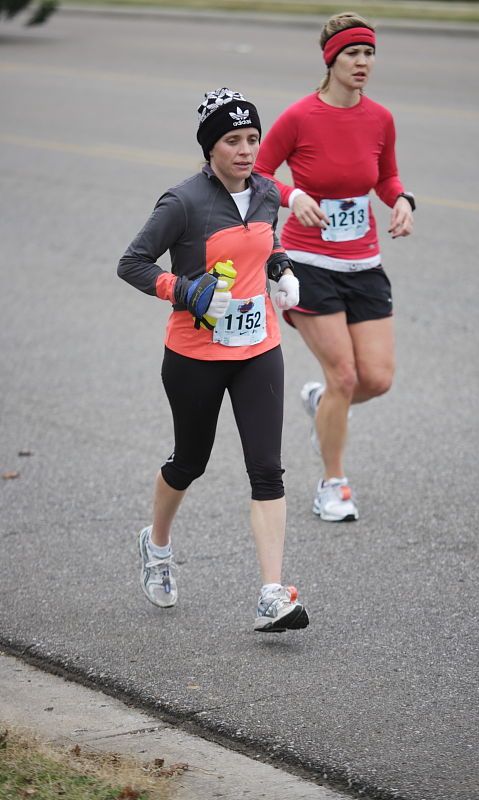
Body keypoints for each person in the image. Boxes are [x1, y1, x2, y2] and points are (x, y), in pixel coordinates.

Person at [117, 88, 308, 633]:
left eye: (252, 139)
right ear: (210, 148)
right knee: (190, 462)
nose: (246, 150)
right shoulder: (182, 202)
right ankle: (156, 546)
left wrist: (281, 271)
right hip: (194, 355)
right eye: (233, 141)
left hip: (259, 350)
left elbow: (267, 243)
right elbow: (131, 263)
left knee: (267, 469)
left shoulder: (268, 192)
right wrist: (185, 291)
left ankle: (272, 593)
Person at [255, 12, 414, 523]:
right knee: (345, 376)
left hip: (364, 264)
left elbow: (385, 176)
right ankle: (333, 483)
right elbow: (259, 173)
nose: (363, 63)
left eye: (369, 53)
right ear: (331, 59)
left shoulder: (381, 118)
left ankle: (323, 402)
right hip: (309, 264)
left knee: (378, 379)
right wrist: (293, 194)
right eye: (353, 54)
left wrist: (402, 200)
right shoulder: (300, 117)